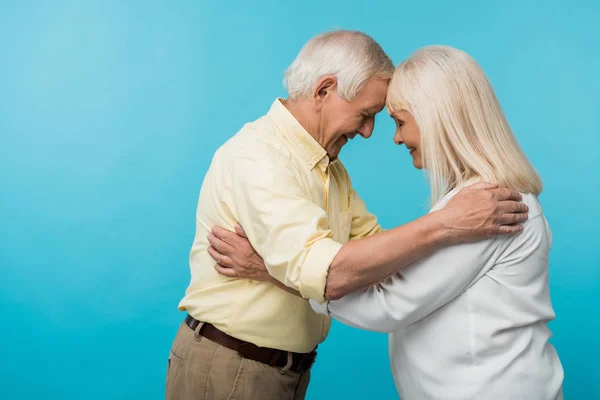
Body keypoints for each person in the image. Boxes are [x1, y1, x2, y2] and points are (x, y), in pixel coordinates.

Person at [167, 31, 529, 400]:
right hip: (232, 366)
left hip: (282, 370)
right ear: (324, 90)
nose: (369, 131)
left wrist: (266, 270)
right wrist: (446, 222)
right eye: (366, 114)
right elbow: (332, 276)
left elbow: (383, 260)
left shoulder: (327, 167)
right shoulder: (259, 159)